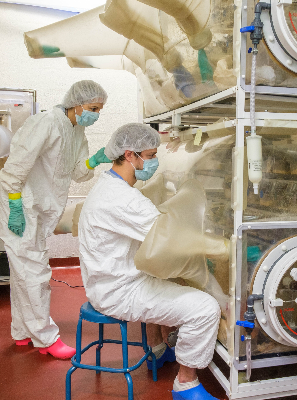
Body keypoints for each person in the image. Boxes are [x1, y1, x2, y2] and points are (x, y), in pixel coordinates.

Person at [78, 123, 220, 399]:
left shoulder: (107, 185)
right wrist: (219, 246)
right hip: (120, 292)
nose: (154, 162)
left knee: (165, 276)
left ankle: (159, 349)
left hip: (105, 281)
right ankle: (186, 384)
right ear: (130, 155)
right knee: (206, 308)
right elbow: (170, 239)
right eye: (151, 155)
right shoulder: (124, 199)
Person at [0, 80, 111, 359]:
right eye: (94, 108)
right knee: (35, 273)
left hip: (37, 207)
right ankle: (45, 338)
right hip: (20, 203)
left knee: (24, 271)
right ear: (77, 103)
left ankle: (22, 332)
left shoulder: (77, 130)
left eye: (99, 110)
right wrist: (13, 205)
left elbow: (77, 172)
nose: (96, 115)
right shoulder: (45, 122)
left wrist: (96, 159)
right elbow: (16, 165)